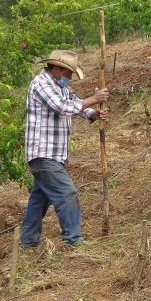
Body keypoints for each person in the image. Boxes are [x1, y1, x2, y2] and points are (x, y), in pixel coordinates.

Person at [21, 50, 108, 249]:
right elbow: (63, 107)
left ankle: (28, 241)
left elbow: (76, 105)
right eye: (68, 73)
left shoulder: (59, 85)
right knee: (67, 193)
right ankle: (73, 241)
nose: (69, 78)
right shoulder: (41, 84)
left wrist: (93, 113)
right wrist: (94, 98)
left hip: (52, 155)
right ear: (57, 68)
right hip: (43, 153)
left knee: (39, 199)